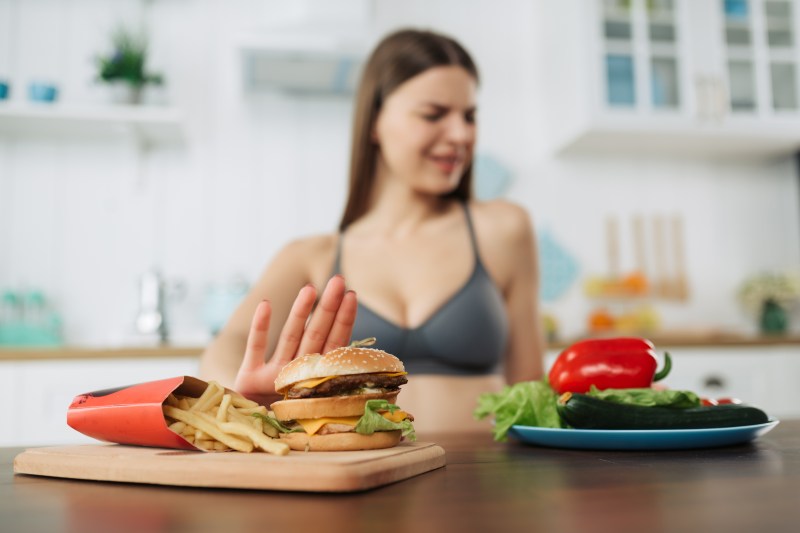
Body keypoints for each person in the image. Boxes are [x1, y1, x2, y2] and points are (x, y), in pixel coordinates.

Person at [199, 28, 545, 433]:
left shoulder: (503, 229)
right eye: (434, 114)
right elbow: (222, 354)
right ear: (375, 122)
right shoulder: (311, 256)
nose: (461, 135)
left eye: (469, 116)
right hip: (359, 480)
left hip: (487, 481)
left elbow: (531, 391)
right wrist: (253, 398)